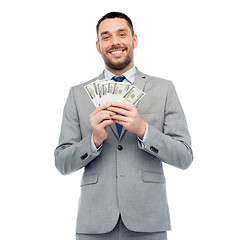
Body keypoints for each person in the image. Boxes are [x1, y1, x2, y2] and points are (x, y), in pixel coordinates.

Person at [55, 12, 193, 240]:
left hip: (149, 220)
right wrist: (94, 140)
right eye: (106, 37)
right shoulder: (77, 95)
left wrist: (143, 130)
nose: (115, 42)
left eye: (122, 34)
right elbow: (62, 163)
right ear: (98, 46)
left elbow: (185, 157)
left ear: (134, 40)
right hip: (94, 223)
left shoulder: (164, 89)